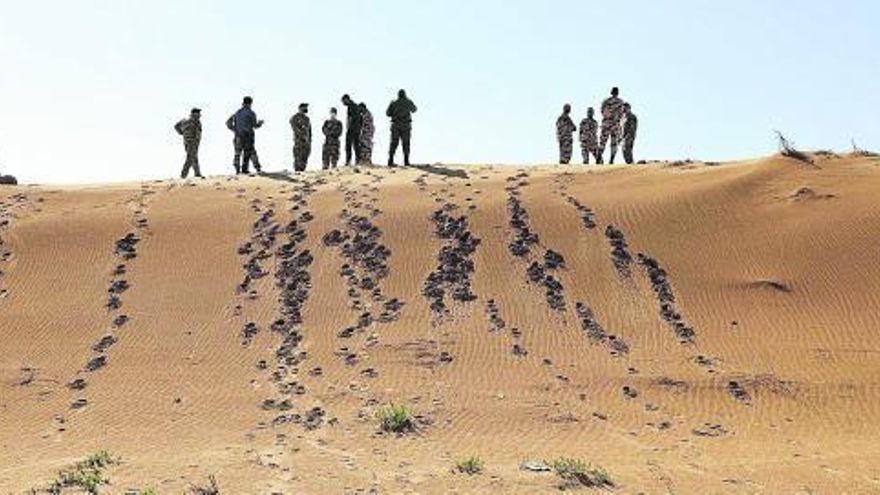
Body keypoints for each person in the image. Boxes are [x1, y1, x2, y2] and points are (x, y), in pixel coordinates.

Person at [231, 96, 264, 174]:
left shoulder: (237, 112)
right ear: (250, 103)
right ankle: (255, 168)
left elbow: (228, 122)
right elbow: (255, 125)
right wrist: (260, 123)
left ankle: (237, 170)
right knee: (250, 152)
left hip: (238, 136)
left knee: (237, 153)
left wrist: (235, 130)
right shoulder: (251, 113)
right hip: (248, 136)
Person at [386, 89, 417, 167]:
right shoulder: (408, 102)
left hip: (395, 125)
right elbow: (414, 109)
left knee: (393, 143)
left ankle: (390, 160)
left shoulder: (393, 102)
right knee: (406, 143)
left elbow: (388, 113)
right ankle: (406, 161)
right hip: (406, 125)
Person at [599, 87, 626, 164]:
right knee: (614, 143)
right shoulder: (620, 102)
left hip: (606, 123)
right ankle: (611, 159)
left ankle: (599, 157)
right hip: (615, 124)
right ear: (617, 93)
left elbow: (602, 111)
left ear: (611, 92)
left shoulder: (605, 101)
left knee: (602, 142)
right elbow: (622, 114)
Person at [174, 108, 204, 179]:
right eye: (198, 113)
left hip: (188, 142)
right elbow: (176, 126)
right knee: (190, 158)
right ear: (194, 114)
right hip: (192, 142)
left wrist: (182, 133)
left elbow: (176, 126)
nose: (200, 115)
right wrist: (182, 133)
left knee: (194, 157)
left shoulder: (185, 121)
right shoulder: (195, 121)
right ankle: (183, 175)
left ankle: (197, 173)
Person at [289, 103, 311, 172]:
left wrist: (309, 140)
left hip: (306, 142)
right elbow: (294, 128)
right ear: (300, 108)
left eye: (306, 107)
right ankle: (297, 171)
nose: (305, 109)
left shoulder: (307, 119)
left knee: (305, 157)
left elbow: (309, 131)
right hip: (299, 141)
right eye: (304, 107)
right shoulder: (295, 117)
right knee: (298, 157)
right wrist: (302, 135)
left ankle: (302, 171)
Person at [341, 94, 362, 166]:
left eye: (343, 101)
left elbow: (351, 118)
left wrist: (349, 127)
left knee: (349, 145)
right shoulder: (355, 106)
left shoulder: (351, 106)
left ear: (346, 99)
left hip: (352, 128)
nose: (343, 103)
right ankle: (358, 160)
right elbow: (360, 118)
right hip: (357, 128)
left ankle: (348, 161)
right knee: (356, 145)